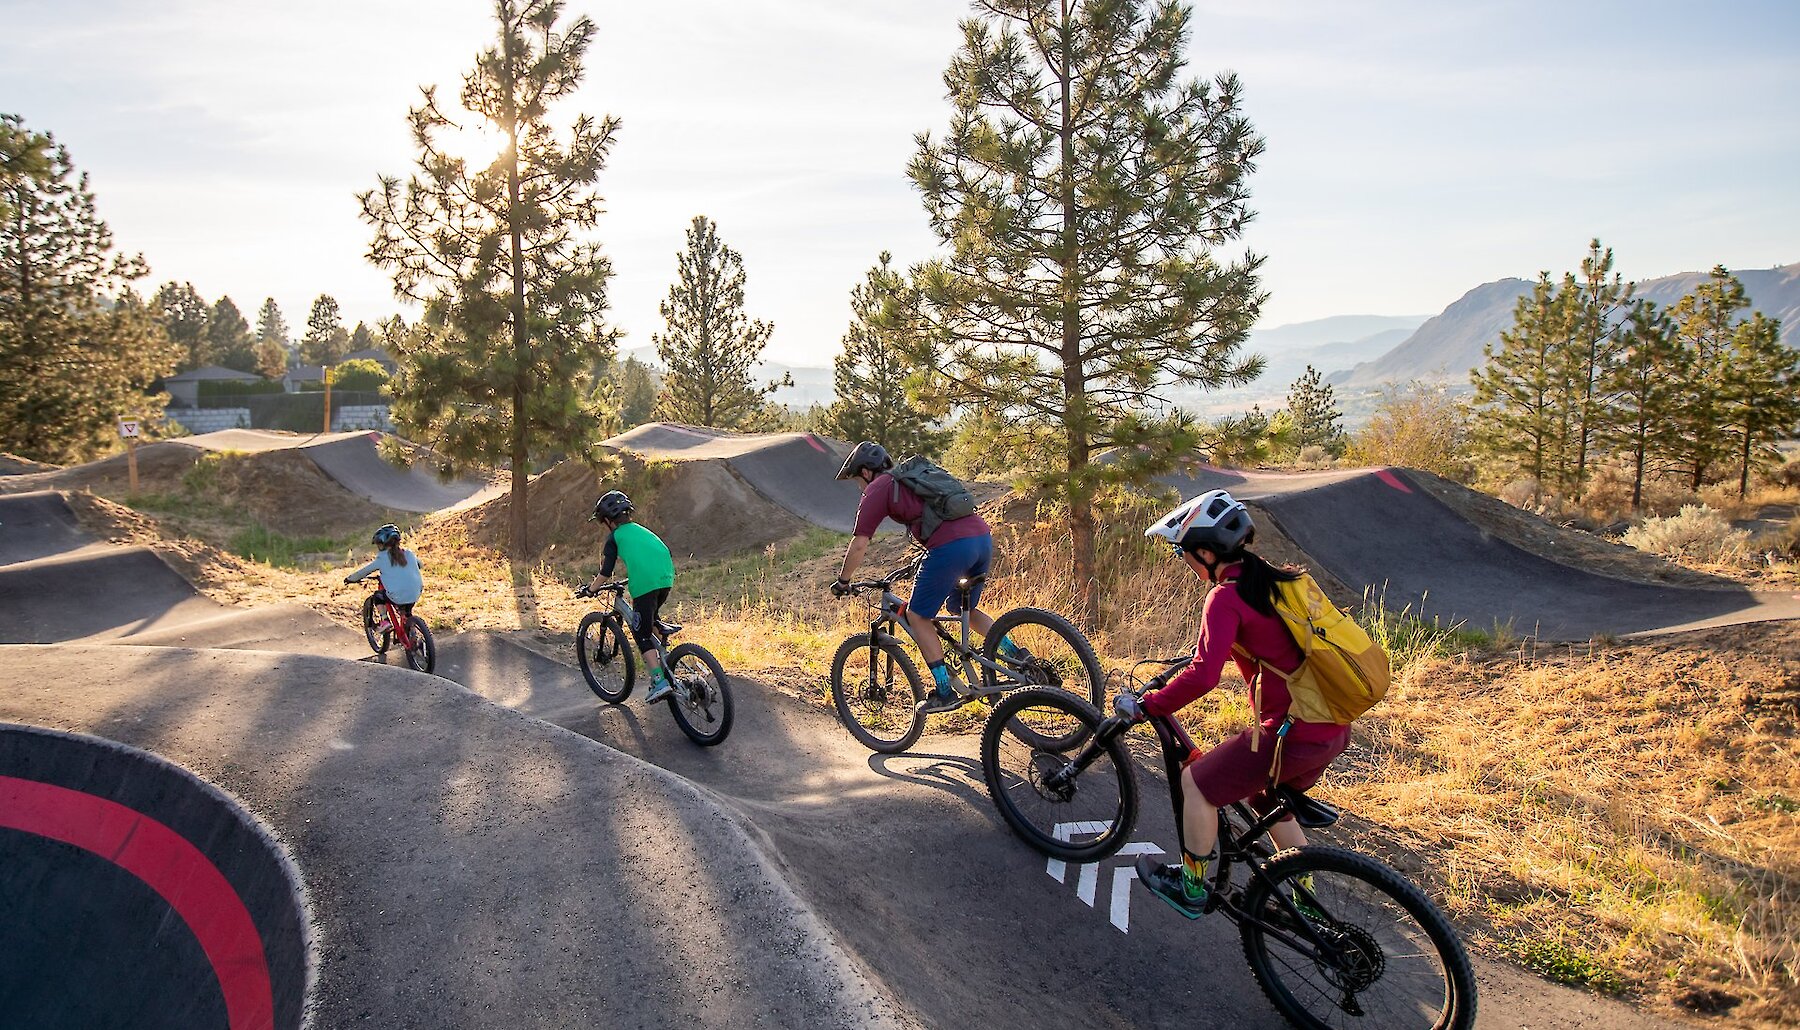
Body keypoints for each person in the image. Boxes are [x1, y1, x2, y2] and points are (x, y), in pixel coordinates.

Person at [1120, 489, 1351, 918]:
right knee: (1266, 800)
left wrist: (1149, 704)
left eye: (1184, 554)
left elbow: (1206, 675)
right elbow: (1275, 644)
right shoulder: (1283, 580)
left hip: (1291, 734)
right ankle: (1306, 904)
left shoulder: (1224, 597)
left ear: (1205, 553)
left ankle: (1190, 889)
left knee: (1198, 785)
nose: (1184, 562)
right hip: (1332, 724)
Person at [830, 440, 1025, 714]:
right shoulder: (911, 479)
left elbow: (860, 542)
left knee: (918, 616)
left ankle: (944, 692)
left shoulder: (879, 487)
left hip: (951, 546)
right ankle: (1020, 657)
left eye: (856, 480)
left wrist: (844, 581)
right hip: (981, 537)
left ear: (865, 472)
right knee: (962, 609)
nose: (859, 487)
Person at [583, 490, 678, 704]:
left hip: (645, 583)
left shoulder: (614, 538)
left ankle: (659, 681)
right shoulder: (641, 530)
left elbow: (605, 572)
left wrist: (591, 590)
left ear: (608, 521)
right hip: (666, 578)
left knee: (640, 633)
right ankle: (664, 653)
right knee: (648, 620)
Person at [344, 523, 423, 626]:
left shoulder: (382, 558)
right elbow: (420, 565)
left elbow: (364, 571)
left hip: (398, 595)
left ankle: (384, 620)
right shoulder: (409, 553)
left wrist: (350, 579)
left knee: (378, 596)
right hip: (416, 592)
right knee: (406, 611)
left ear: (382, 544)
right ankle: (412, 632)